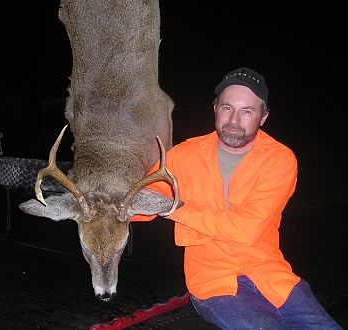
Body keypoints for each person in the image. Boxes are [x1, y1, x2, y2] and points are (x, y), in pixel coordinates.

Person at [132, 67, 343, 329]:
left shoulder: (279, 159)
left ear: (263, 117)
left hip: (271, 274)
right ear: (215, 109)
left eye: (247, 111)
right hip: (214, 282)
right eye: (227, 108)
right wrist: (119, 200)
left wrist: (173, 208)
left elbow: (246, 230)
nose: (234, 120)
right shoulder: (182, 156)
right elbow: (142, 203)